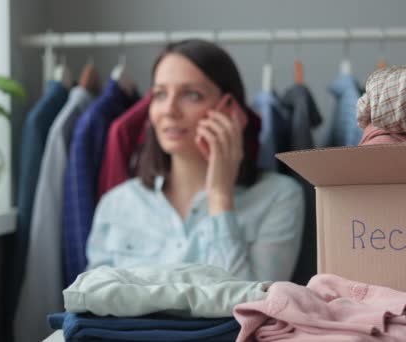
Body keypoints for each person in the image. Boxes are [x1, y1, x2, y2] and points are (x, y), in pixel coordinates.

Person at [86, 39, 305, 282]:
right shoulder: (116, 204)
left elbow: (254, 309)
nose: (169, 110)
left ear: (230, 108)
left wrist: (220, 198)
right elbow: (93, 306)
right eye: (160, 94)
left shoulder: (279, 197)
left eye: (191, 95)